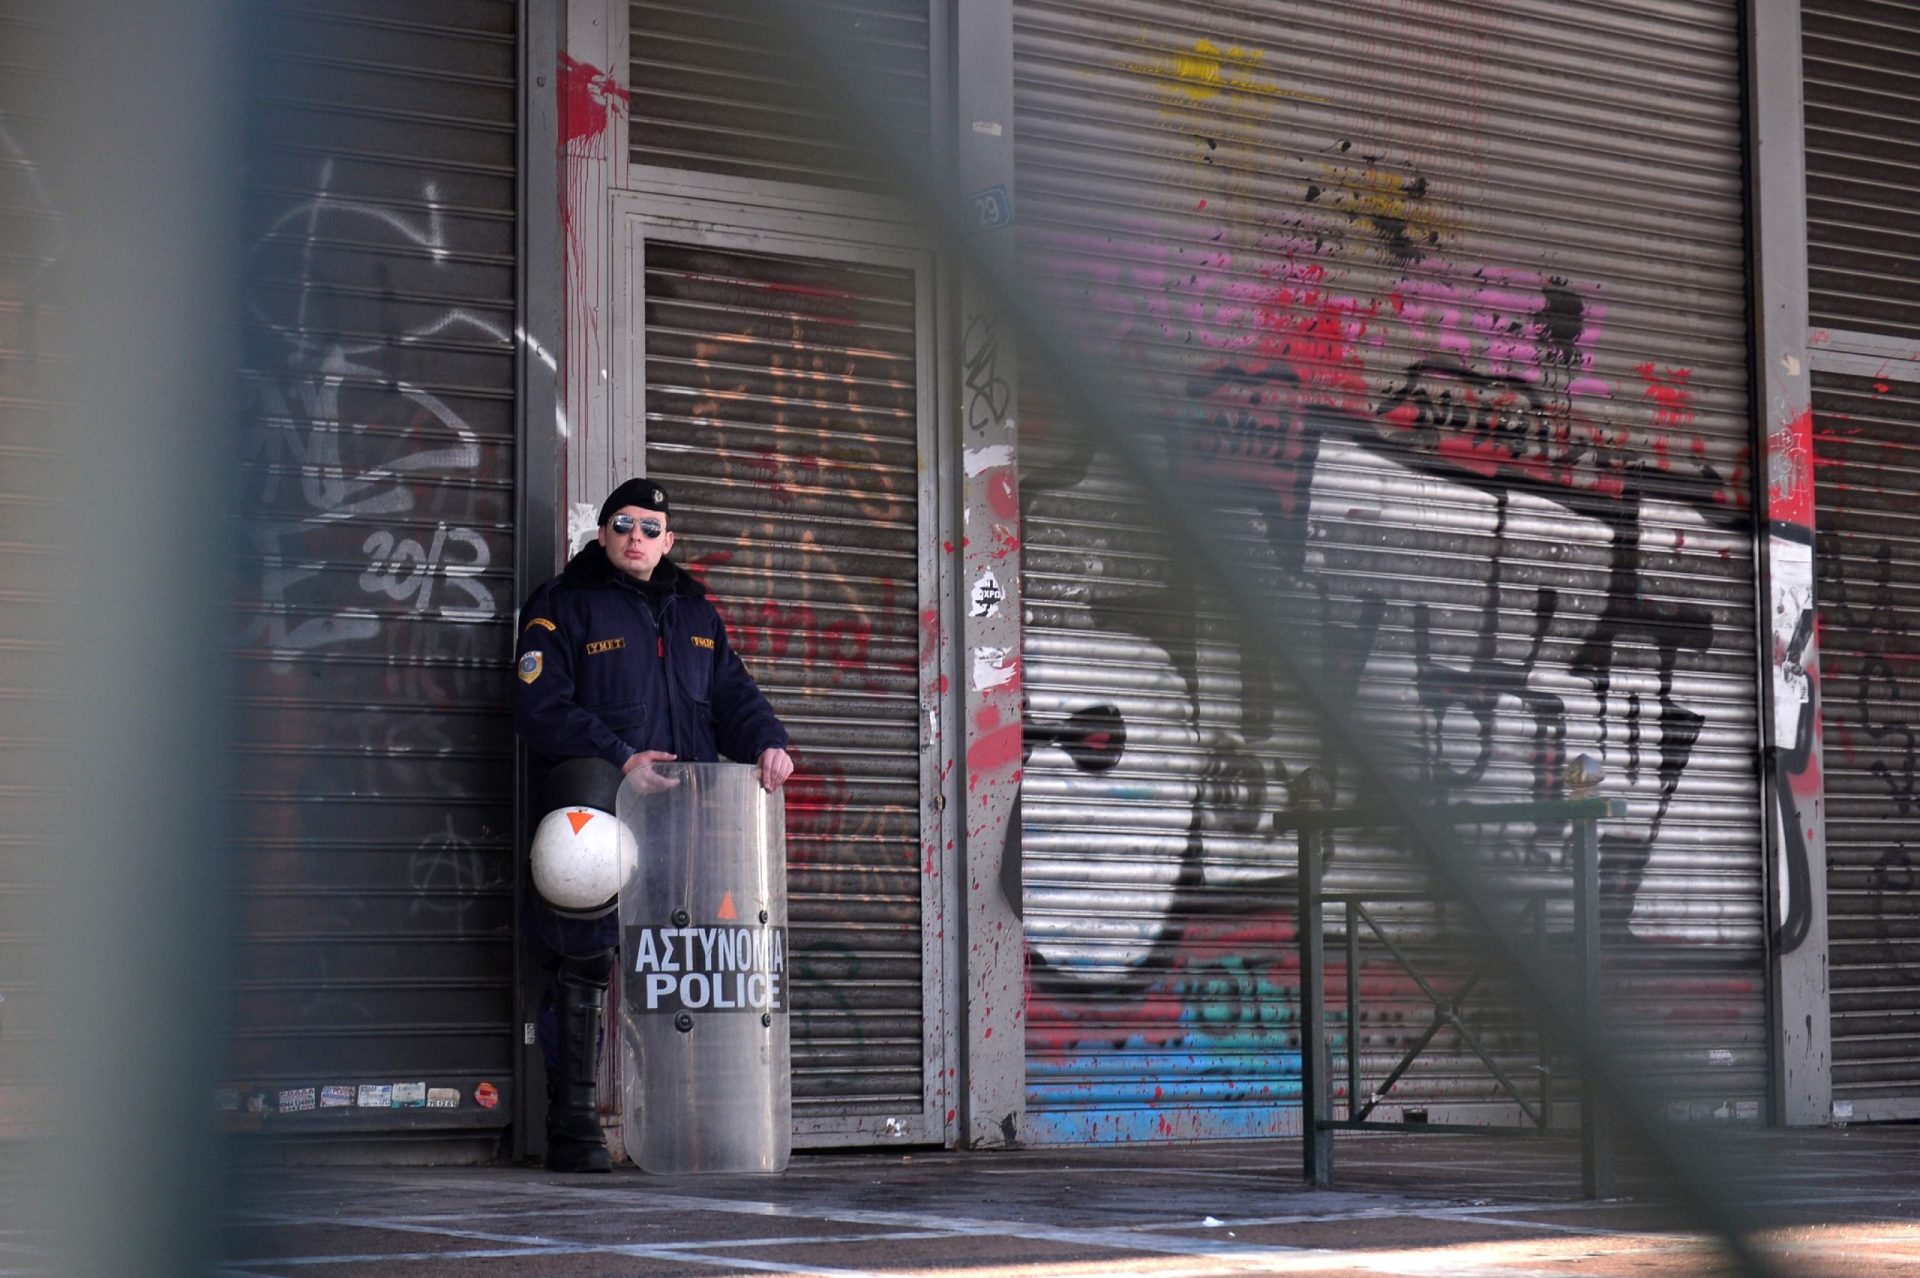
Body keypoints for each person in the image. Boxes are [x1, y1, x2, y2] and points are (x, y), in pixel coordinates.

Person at [513, 477, 793, 1172]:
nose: (635, 537)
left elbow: (733, 695)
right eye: (622, 524)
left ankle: (679, 1128)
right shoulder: (563, 605)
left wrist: (767, 742)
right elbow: (538, 706)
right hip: (597, 817)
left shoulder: (696, 613)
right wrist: (619, 758)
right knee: (582, 961)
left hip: (685, 818)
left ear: (668, 541)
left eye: (649, 527)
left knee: (679, 967)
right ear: (602, 534)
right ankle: (574, 1126)